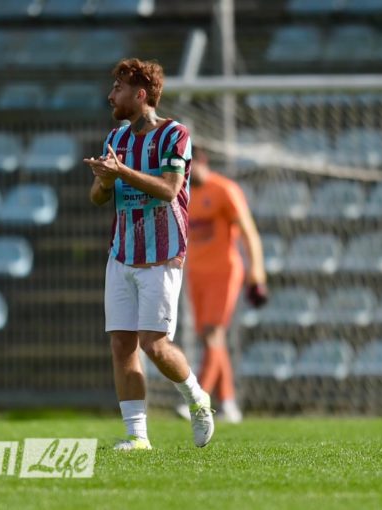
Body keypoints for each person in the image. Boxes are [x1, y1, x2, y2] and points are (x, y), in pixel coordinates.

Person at [84, 58, 213, 450]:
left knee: (153, 344)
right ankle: (137, 437)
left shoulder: (175, 135)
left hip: (162, 255)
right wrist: (105, 181)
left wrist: (122, 173)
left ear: (140, 95)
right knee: (121, 345)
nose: (111, 95)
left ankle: (197, 397)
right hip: (121, 254)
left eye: (118, 88)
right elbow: (97, 198)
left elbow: (170, 189)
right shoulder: (116, 139)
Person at [176, 145, 268, 423]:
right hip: (197, 273)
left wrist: (257, 272)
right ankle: (228, 403)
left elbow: (249, 231)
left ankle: (198, 398)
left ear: (202, 162)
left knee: (213, 333)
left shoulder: (224, 190)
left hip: (224, 272)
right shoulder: (183, 194)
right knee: (210, 338)